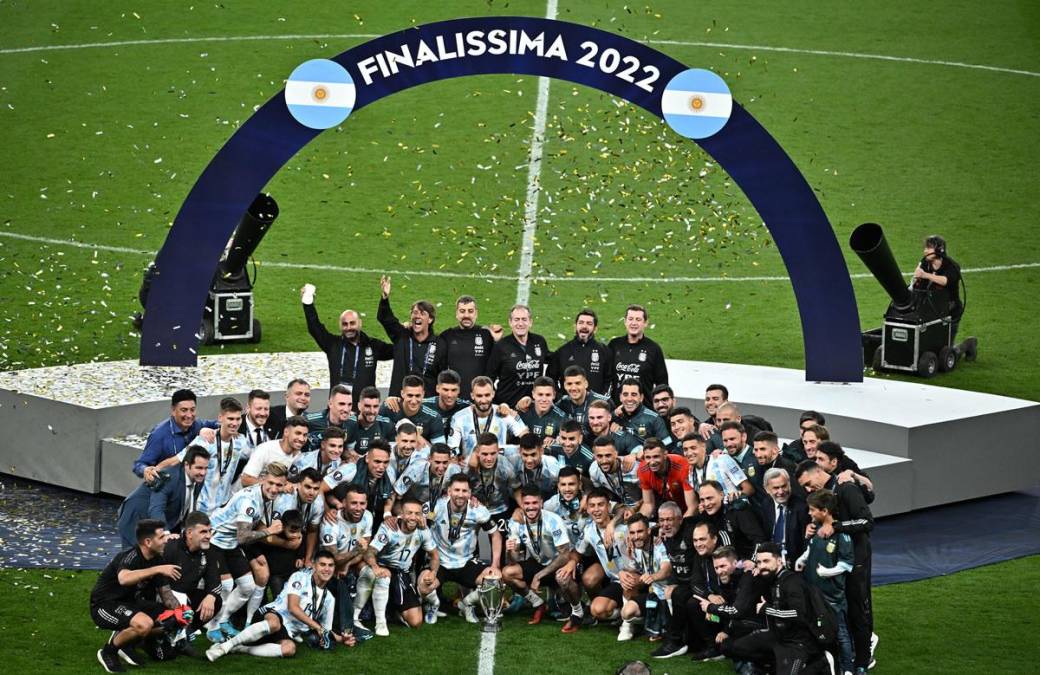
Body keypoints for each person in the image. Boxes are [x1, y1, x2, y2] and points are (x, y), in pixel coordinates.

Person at [797, 458, 876, 674]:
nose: (806, 489)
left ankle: (861, 662)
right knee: (839, 616)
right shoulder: (822, 496)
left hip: (856, 561)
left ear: (817, 471)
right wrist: (812, 529)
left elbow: (868, 522)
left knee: (857, 613)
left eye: (807, 483)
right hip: (835, 568)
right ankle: (845, 661)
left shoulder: (845, 487)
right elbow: (823, 525)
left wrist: (838, 526)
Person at [205, 550, 354, 661]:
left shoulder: (329, 599)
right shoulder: (300, 577)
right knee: (275, 623)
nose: (327, 569)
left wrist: (342, 639)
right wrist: (317, 627)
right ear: (314, 565)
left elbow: (325, 631)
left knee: (289, 649)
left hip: (288, 631)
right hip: (272, 614)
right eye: (322, 564)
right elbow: (293, 607)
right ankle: (226, 646)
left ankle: (241, 648)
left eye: (330, 565)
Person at [205, 462, 288, 644]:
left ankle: (224, 620)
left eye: (279, 485)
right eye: (271, 483)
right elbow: (243, 537)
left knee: (247, 586)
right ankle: (212, 628)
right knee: (226, 586)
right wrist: (269, 531)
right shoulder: (249, 500)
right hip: (215, 541)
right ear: (262, 480)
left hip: (231, 544)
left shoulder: (266, 497)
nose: (274, 489)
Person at [91, 519, 184, 673]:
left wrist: (181, 611)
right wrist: (157, 569)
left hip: (130, 604)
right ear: (148, 542)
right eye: (161, 537)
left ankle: (127, 644)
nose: (165, 540)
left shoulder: (157, 559)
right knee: (144, 624)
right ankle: (109, 651)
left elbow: (166, 594)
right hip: (105, 605)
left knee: (168, 620)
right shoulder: (130, 556)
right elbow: (124, 578)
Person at [721, 542, 828, 675]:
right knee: (734, 647)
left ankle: (821, 663)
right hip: (779, 637)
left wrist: (767, 609)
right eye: (759, 562)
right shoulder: (771, 578)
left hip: (799, 642)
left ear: (778, 561)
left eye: (766, 561)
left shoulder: (792, 582)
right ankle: (771, 667)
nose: (762, 566)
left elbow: (799, 614)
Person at [502, 485, 582, 630]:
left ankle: (578, 613)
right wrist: (510, 550)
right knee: (507, 573)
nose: (531, 507)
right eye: (527, 503)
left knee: (562, 578)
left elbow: (565, 555)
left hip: (559, 565)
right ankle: (538, 604)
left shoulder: (553, 520)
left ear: (541, 503)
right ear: (522, 504)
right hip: (539, 563)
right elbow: (514, 559)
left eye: (534, 503)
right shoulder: (515, 522)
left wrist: (538, 576)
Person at [356, 497, 441, 634]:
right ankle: (379, 620)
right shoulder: (390, 528)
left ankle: (394, 609)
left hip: (402, 574)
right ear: (401, 513)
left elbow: (435, 556)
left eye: (417, 514)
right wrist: (376, 567)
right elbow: (370, 552)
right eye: (409, 513)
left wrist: (433, 572)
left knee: (416, 622)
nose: (413, 517)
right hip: (383, 567)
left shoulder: (423, 531)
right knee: (379, 575)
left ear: (421, 515)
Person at [301, 283, 392, 403]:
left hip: (365, 412)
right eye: (345, 324)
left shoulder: (373, 346)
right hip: (338, 410)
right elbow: (314, 327)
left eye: (352, 323)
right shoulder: (333, 345)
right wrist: (308, 302)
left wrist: (406, 331)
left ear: (360, 323)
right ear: (340, 326)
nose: (348, 327)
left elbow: (398, 349)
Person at [153, 397, 247, 514]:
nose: (235, 423)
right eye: (230, 419)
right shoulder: (205, 440)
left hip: (223, 508)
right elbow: (176, 460)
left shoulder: (241, 441)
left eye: (238, 419)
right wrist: (154, 471)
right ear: (220, 418)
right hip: (200, 508)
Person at [797, 489, 855, 674]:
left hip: (832, 596)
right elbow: (812, 549)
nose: (809, 513)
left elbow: (847, 565)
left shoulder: (841, 535)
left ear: (825, 510)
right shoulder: (816, 530)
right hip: (814, 592)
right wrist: (802, 559)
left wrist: (827, 572)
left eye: (812, 509)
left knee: (841, 634)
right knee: (815, 631)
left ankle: (847, 670)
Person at [430, 474, 503, 623]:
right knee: (424, 585)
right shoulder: (435, 507)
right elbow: (420, 527)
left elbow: (495, 535)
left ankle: (466, 604)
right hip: (440, 561)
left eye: (464, 491)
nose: (460, 494)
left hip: (466, 562)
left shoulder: (478, 510)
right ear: (449, 491)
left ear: (470, 493)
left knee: (494, 581)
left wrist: (495, 565)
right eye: (457, 490)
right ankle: (431, 605)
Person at [653, 520, 727, 660]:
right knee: (687, 599)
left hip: (729, 604)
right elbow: (695, 583)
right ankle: (704, 645)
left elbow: (732, 588)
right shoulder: (700, 556)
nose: (698, 544)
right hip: (713, 601)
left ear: (714, 538)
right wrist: (709, 596)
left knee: (692, 602)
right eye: (695, 540)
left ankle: (718, 643)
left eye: (702, 539)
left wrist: (716, 602)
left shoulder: (725, 555)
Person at [116, 446, 210, 548]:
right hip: (136, 518)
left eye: (206, 468)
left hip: (159, 519)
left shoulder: (198, 478)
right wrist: (165, 534)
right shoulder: (169, 478)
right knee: (136, 558)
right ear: (187, 465)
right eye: (199, 468)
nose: (203, 473)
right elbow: (156, 508)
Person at [162, 511, 223, 645]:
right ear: (189, 533)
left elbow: (215, 579)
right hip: (164, 596)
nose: (208, 536)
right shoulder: (171, 548)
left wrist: (211, 596)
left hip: (187, 596)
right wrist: (177, 605)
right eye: (203, 532)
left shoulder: (209, 550)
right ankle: (169, 632)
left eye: (209, 531)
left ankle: (187, 632)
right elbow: (157, 581)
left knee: (216, 600)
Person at [320, 485, 373, 639]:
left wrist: (348, 564)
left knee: (370, 573)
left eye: (362, 503)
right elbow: (332, 558)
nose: (358, 508)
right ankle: (347, 629)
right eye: (354, 503)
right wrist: (355, 552)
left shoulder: (368, 516)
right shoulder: (331, 522)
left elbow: (365, 547)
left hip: (349, 562)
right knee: (340, 583)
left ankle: (356, 618)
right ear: (344, 503)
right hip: (325, 565)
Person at [571, 488, 629, 622]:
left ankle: (632, 617)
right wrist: (572, 562)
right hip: (615, 580)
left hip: (634, 577)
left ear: (608, 507)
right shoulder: (589, 530)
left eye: (600, 505)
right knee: (597, 609)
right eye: (592, 506)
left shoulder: (625, 525)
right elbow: (577, 552)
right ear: (588, 509)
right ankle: (618, 613)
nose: (596, 509)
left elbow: (645, 525)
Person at [430, 294, 502, 400]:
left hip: (481, 398)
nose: (466, 315)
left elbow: (499, 363)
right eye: (462, 311)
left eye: (470, 311)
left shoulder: (486, 334)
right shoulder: (447, 336)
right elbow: (437, 367)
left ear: (476, 313)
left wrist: (497, 341)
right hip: (455, 399)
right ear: (457, 314)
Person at [133, 389, 216, 480]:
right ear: (173, 411)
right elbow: (139, 465)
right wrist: (145, 470)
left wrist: (204, 430)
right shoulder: (159, 434)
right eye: (184, 410)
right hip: (167, 484)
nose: (189, 415)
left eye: (192, 410)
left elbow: (221, 424)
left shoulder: (197, 424)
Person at [377, 275, 438, 396]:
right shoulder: (402, 336)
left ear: (430, 319)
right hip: (399, 400)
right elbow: (385, 318)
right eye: (414, 312)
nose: (417, 316)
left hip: (426, 402)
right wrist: (385, 298)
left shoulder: (439, 344)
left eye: (422, 313)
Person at [616, 513, 672, 642]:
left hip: (669, 593)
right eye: (633, 533)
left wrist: (653, 577)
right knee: (626, 612)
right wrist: (622, 572)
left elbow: (666, 570)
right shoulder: (634, 547)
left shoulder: (660, 544)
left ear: (648, 530)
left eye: (640, 531)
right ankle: (630, 624)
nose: (636, 536)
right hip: (653, 593)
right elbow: (632, 569)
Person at [448, 376, 527, 459]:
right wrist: (455, 460)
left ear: (493, 394)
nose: (484, 400)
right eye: (479, 396)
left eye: (487, 395)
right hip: (470, 467)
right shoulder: (459, 418)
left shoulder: (505, 413)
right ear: (472, 395)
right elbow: (453, 449)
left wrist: (507, 451)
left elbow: (526, 436)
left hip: (499, 466)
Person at [487, 303, 550, 407]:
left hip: (533, 408)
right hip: (508, 408)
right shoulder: (501, 346)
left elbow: (551, 360)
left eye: (524, 319)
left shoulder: (539, 341)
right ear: (510, 322)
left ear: (530, 322)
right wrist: (498, 405)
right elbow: (489, 377)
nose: (520, 323)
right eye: (516, 319)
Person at [322, 441, 396, 530]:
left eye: (385, 462)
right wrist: (327, 510)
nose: (381, 467)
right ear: (367, 458)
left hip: (366, 516)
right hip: (338, 515)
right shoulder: (350, 469)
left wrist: (387, 513)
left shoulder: (390, 473)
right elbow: (320, 488)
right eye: (377, 461)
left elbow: (391, 494)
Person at [608, 305, 668, 402]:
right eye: (630, 319)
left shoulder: (653, 349)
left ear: (645, 323)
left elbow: (662, 384)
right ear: (625, 322)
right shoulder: (614, 345)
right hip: (617, 409)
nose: (634, 323)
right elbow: (605, 376)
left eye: (638, 319)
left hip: (644, 410)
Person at [548, 308, 613, 395]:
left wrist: (599, 401)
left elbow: (609, 380)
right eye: (581, 323)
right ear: (575, 326)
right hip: (568, 406)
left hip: (594, 406)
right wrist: (561, 398)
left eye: (589, 324)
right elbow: (551, 379)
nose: (584, 326)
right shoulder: (562, 351)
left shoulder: (604, 352)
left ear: (595, 329)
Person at [697, 480, 768, 560]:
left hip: (746, 564)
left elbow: (759, 539)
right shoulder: (705, 516)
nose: (706, 503)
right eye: (702, 500)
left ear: (721, 495)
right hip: (723, 566)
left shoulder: (737, 510)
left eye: (709, 498)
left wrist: (753, 561)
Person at [912, 234, 964, 341]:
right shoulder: (925, 264)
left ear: (940, 250)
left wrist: (924, 275)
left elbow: (945, 281)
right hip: (933, 311)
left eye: (929, 248)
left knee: (946, 348)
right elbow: (919, 288)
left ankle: (966, 346)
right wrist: (917, 280)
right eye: (925, 248)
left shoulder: (952, 266)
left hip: (951, 312)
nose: (925, 251)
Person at [759, 467, 811, 566]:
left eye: (784, 486)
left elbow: (805, 543)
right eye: (776, 488)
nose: (781, 491)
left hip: (795, 561)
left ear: (789, 484)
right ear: (767, 489)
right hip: (771, 560)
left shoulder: (802, 508)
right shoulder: (766, 504)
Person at [394, 443, 461, 517]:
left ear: (450, 460)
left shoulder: (455, 471)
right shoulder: (416, 469)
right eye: (437, 462)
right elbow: (396, 494)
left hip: (434, 505)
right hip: (412, 502)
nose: (441, 468)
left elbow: (463, 491)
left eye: (445, 462)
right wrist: (399, 515)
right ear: (429, 459)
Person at [681, 432, 752, 502]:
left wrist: (735, 498)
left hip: (736, 511)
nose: (689, 453)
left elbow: (749, 489)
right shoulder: (691, 474)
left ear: (704, 446)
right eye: (685, 449)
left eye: (693, 448)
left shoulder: (722, 460)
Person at [378, 375, 446, 446]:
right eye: (410, 396)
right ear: (402, 394)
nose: (413, 401)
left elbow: (440, 451)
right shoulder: (388, 408)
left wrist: (417, 436)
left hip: (419, 455)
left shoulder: (433, 417)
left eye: (417, 396)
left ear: (423, 394)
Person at [242, 415, 309, 487]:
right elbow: (246, 480)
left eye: (305, 435)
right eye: (297, 433)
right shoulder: (265, 449)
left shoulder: (300, 457)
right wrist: (279, 486)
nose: (302, 439)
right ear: (286, 432)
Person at [638, 439, 695, 518]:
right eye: (648, 457)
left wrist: (680, 526)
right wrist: (639, 523)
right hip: (664, 512)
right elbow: (648, 504)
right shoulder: (642, 469)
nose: (652, 462)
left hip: (686, 510)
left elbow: (693, 507)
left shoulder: (682, 466)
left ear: (665, 454)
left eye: (656, 456)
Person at [589, 435, 642, 510]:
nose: (604, 461)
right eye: (599, 456)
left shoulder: (634, 468)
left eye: (608, 455)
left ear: (616, 454)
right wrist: (616, 506)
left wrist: (635, 508)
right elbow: (602, 492)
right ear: (594, 456)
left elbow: (652, 495)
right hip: (623, 508)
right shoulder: (594, 470)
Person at [616, 378, 673, 447]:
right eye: (625, 394)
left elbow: (667, 443)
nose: (629, 399)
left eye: (634, 395)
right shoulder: (613, 416)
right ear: (620, 397)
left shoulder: (654, 419)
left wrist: (645, 451)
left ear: (641, 398)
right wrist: (613, 416)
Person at [751, 431, 802, 505]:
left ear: (775, 450)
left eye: (762, 449)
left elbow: (798, 497)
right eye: (756, 450)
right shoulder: (758, 467)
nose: (758, 455)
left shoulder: (788, 468)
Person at [343, 386, 395, 457]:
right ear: (359, 406)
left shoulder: (387, 424)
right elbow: (340, 449)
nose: (372, 411)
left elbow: (393, 451)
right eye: (367, 406)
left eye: (375, 406)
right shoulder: (349, 423)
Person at [556, 365, 612, 431]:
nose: (573, 388)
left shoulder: (604, 401)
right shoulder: (562, 403)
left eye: (578, 383)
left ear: (586, 384)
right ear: (565, 385)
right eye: (569, 384)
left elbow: (617, 418)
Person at [517, 376, 569, 444]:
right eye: (540, 394)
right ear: (533, 394)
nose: (544, 399)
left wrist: (555, 441)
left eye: (548, 395)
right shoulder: (523, 410)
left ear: (554, 395)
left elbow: (567, 440)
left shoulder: (561, 418)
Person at [511, 432, 561, 500]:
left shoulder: (552, 464)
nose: (529, 460)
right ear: (519, 451)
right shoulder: (513, 462)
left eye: (533, 455)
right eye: (525, 455)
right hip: (521, 501)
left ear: (541, 451)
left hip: (546, 501)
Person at [303, 385, 354, 452]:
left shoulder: (353, 423)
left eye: (349, 404)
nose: (346, 409)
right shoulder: (311, 420)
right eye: (342, 404)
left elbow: (350, 449)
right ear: (330, 404)